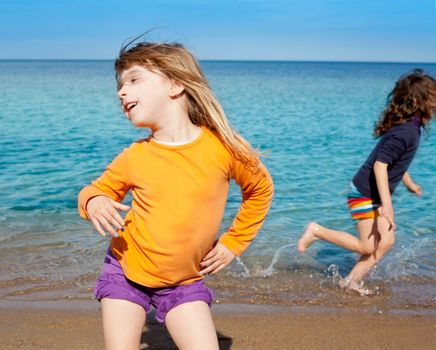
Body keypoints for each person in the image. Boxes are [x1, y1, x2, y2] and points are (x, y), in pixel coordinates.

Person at [78, 40, 274, 350]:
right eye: (120, 84)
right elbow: (94, 190)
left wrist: (233, 243)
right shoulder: (135, 156)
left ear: (175, 84)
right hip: (126, 270)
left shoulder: (223, 149)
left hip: (184, 281)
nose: (121, 92)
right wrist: (95, 201)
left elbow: (260, 189)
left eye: (133, 80)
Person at [298, 69, 436, 295]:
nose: (435, 102)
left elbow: (396, 164)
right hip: (364, 193)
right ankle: (317, 231)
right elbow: (380, 166)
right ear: (417, 101)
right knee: (367, 246)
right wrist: (388, 205)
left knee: (386, 241)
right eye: (432, 97)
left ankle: (350, 280)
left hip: (374, 194)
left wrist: (410, 184)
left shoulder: (412, 127)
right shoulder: (405, 132)